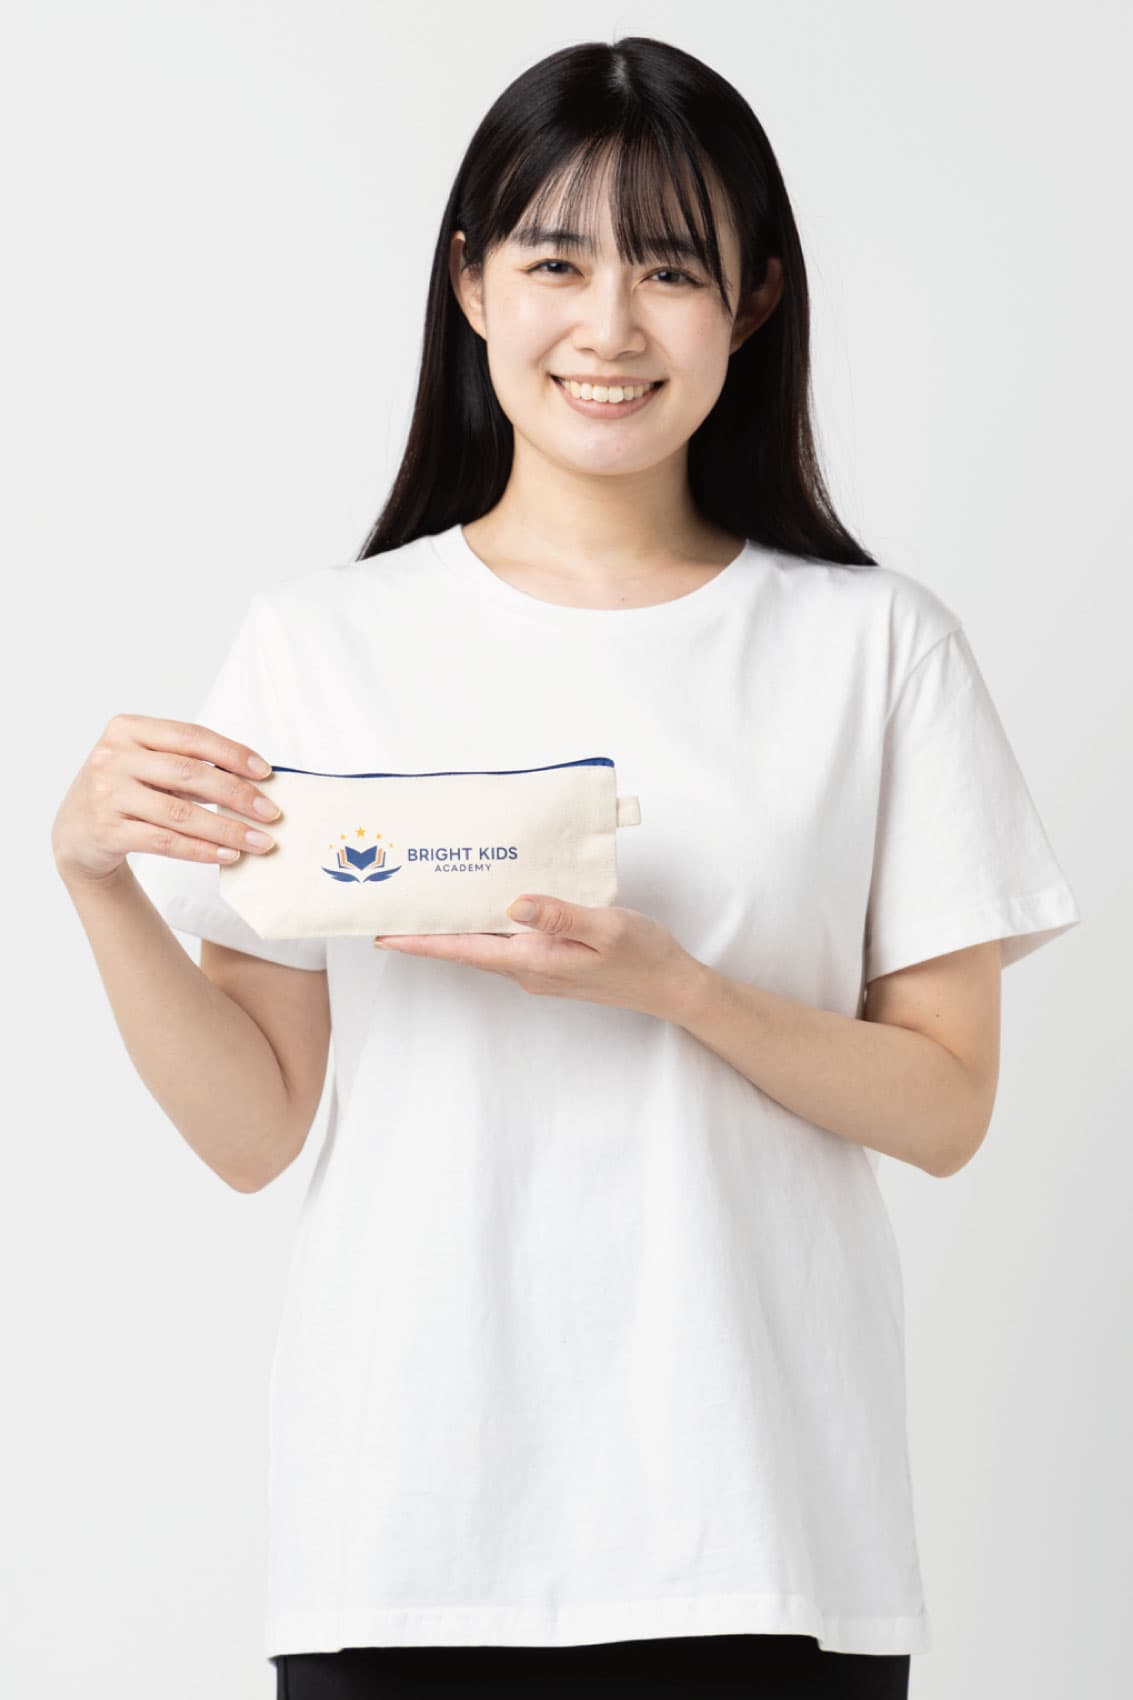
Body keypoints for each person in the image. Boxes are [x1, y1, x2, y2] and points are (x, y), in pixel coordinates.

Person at [52, 34, 1081, 1700]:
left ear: (750, 303)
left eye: (669, 269)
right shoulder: (322, 645)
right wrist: (97, 884)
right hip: (407, 1535)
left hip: (763, 1527)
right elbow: (255, 1133)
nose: (608, 326)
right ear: (470, 284)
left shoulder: (871, 648)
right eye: (553, 262)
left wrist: (677, 990)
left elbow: (944, 1108)